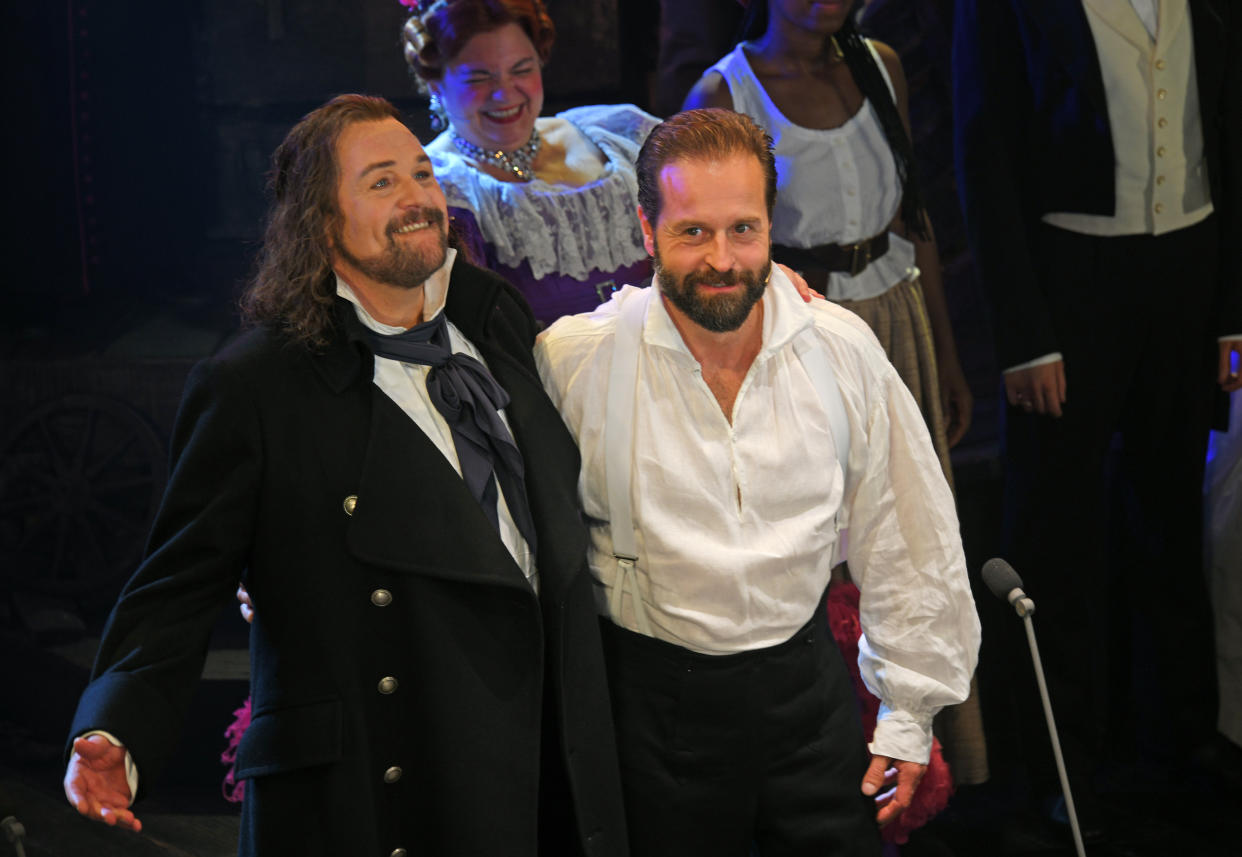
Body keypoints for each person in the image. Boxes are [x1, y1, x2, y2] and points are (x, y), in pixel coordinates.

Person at [61, 94, 628, 857]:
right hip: (382, 792)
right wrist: (114, 723)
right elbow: (177, 583)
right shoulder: (257, 386)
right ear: (322, 224)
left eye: (422, 175)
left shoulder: (493, 320)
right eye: (382, 182)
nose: (418, 198)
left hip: (544, 774)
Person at [535, 108, 980, 857]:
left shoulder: (838, 348)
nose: (721, 259)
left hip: (807, 700)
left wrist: (907, 711)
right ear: (647, 231)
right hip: (651, 716)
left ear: (771, 224)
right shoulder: (575, 360)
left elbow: (909, 532)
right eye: (692, 232)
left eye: (743, 229)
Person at [682, 0, 988, 796]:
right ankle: (834, 770)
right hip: (801, 338)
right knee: (829, 553)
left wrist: (947, 356)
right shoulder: (726, 92)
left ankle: (928, 760)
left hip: (899, 317)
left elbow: (914, 218)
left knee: (911, 541)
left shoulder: (881, 65)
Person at [953, 0, 1241, 821]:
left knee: (1171, 519)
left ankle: (1181, 734)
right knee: (1053, 535)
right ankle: (1056, 762)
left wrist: (1232, 311)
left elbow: (1229, 130)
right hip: (1068, 281)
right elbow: (985, 152)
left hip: (1188, 270)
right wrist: (1023, 337)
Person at [399, 0, 661, 327]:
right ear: (436, 83)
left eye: (522, 69)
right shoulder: (440, 188)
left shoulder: (621, 133)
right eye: (479, 78)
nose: (505, 94)